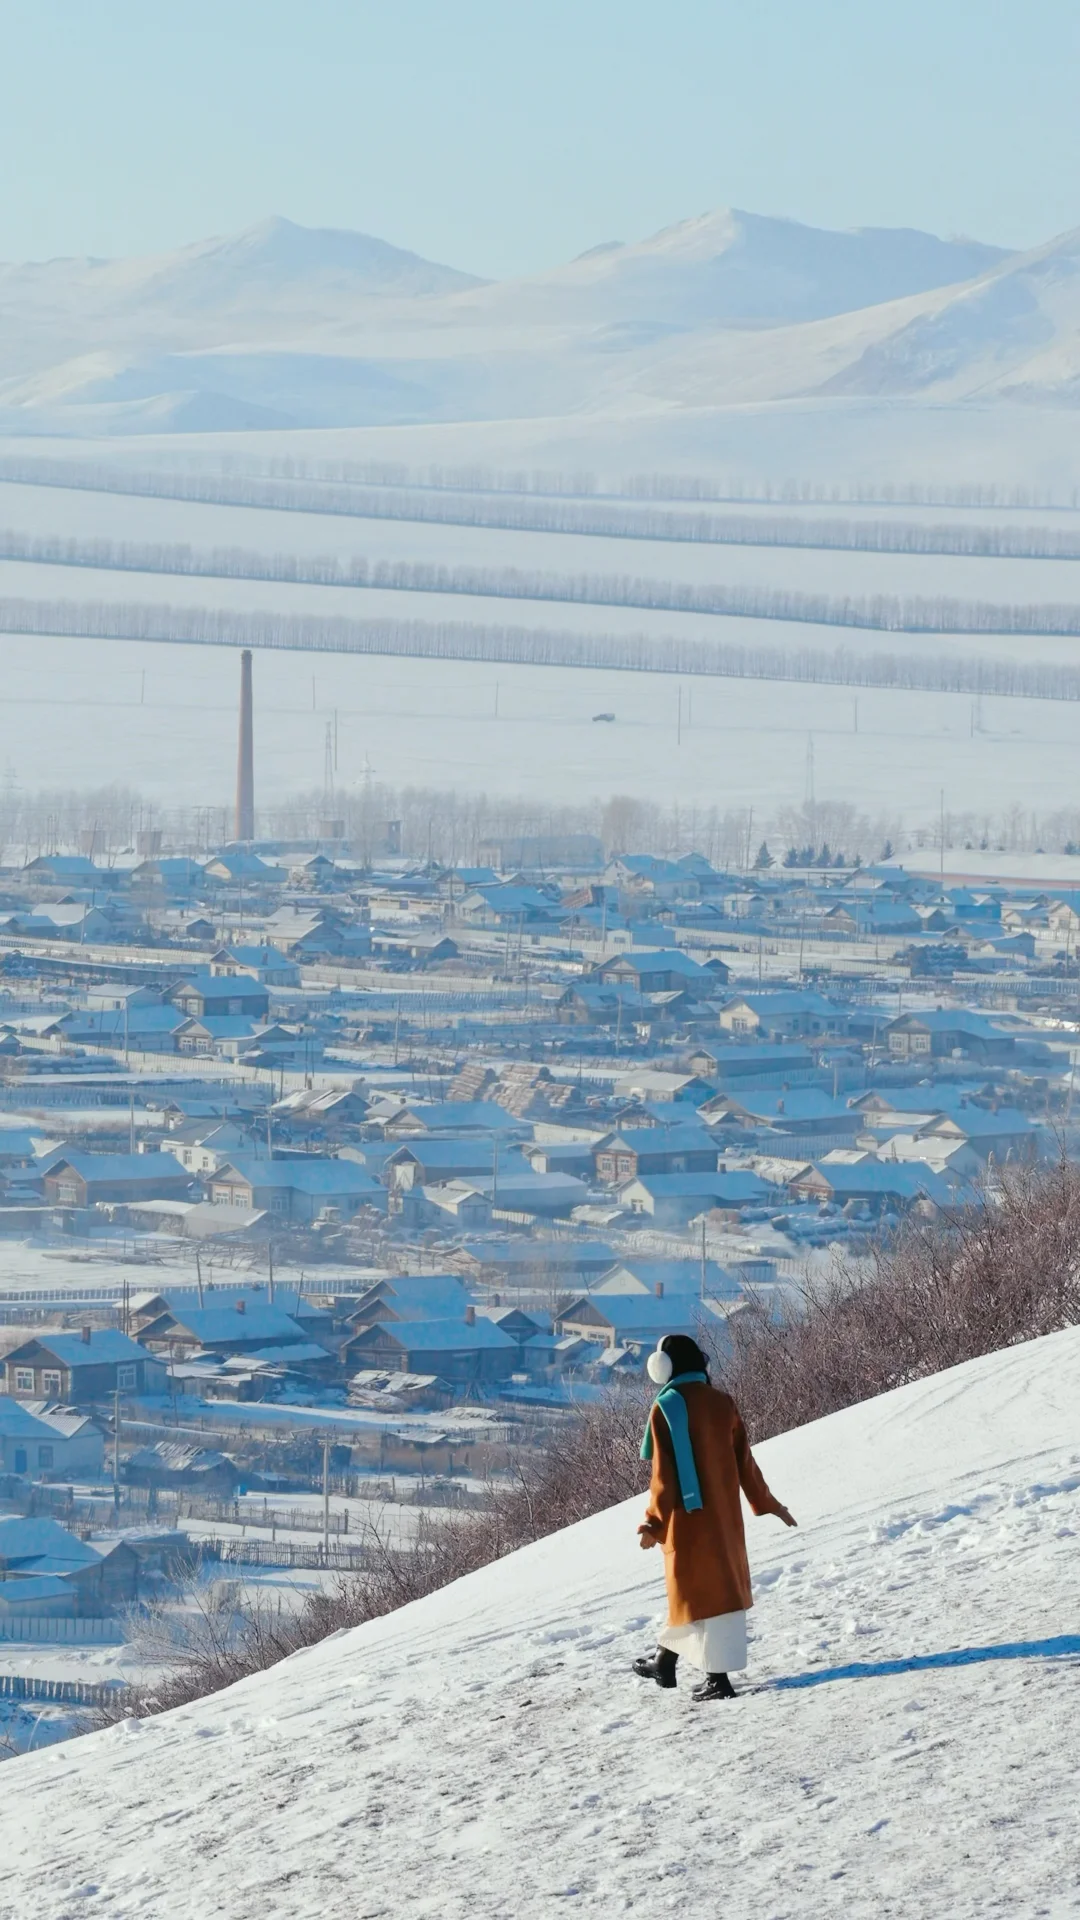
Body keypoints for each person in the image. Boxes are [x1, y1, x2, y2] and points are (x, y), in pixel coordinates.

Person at [634, 1332, 796, 1702]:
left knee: (696, 1596)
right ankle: (665, 1661)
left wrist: (653, 1523)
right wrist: (768, 1502)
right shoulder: (723, 1402)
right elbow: (745, 1462)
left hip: (687, 1520)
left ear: (664, 1367)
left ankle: (716, 1680)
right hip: (723, 1518)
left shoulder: (666, 1407)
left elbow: (664, 1477)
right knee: (714, 1594)